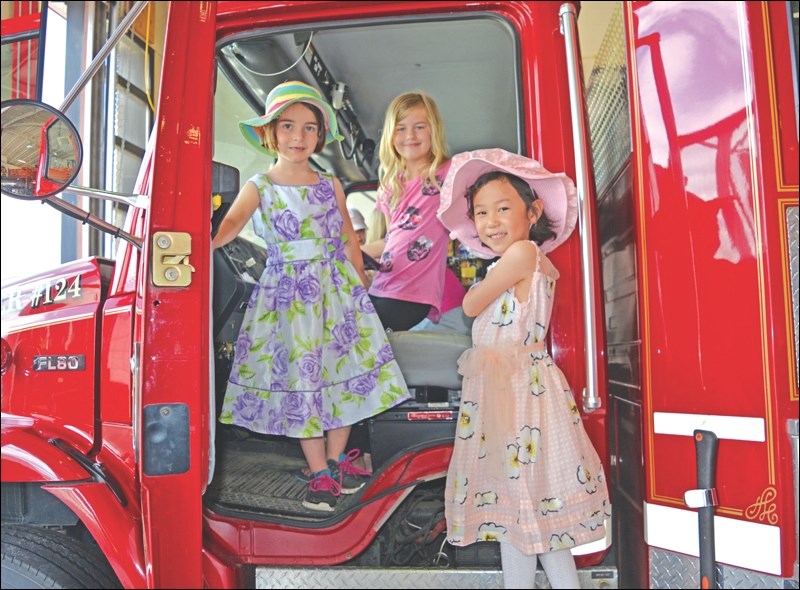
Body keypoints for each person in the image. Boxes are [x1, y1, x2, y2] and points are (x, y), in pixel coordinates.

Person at [213, 81, 411, 512]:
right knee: (304, 381)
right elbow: (227, 228)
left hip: (336, 291)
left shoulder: (330, 185)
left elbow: (348, 240)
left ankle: (336, 461)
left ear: (320, 136)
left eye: (308, 128)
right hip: (287, 296)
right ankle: (319, 471)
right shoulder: (259, 186)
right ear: (270, 133)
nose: (298, 138)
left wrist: (361, 287)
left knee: (346, 374)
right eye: (288, 127)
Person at [437, 148, 610, 589]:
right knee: (518, 509)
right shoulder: (519, 259)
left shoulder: (522, 254)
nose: (490, 221)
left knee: (527, 504)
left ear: (532, 212)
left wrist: (478, 283)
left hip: (517, 391)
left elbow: (471, 304)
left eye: (502, 208)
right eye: (480, 213)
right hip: (506, 389)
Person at [362, 91, 455, 331]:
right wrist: (351, 252)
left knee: (357, 333)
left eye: (419, 127)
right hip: (383, 285)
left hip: (413, 293)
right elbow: (391, 241)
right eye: (401, 128)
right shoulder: (391, 185)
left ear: (433, 129)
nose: (410, 136)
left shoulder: (449, 174)